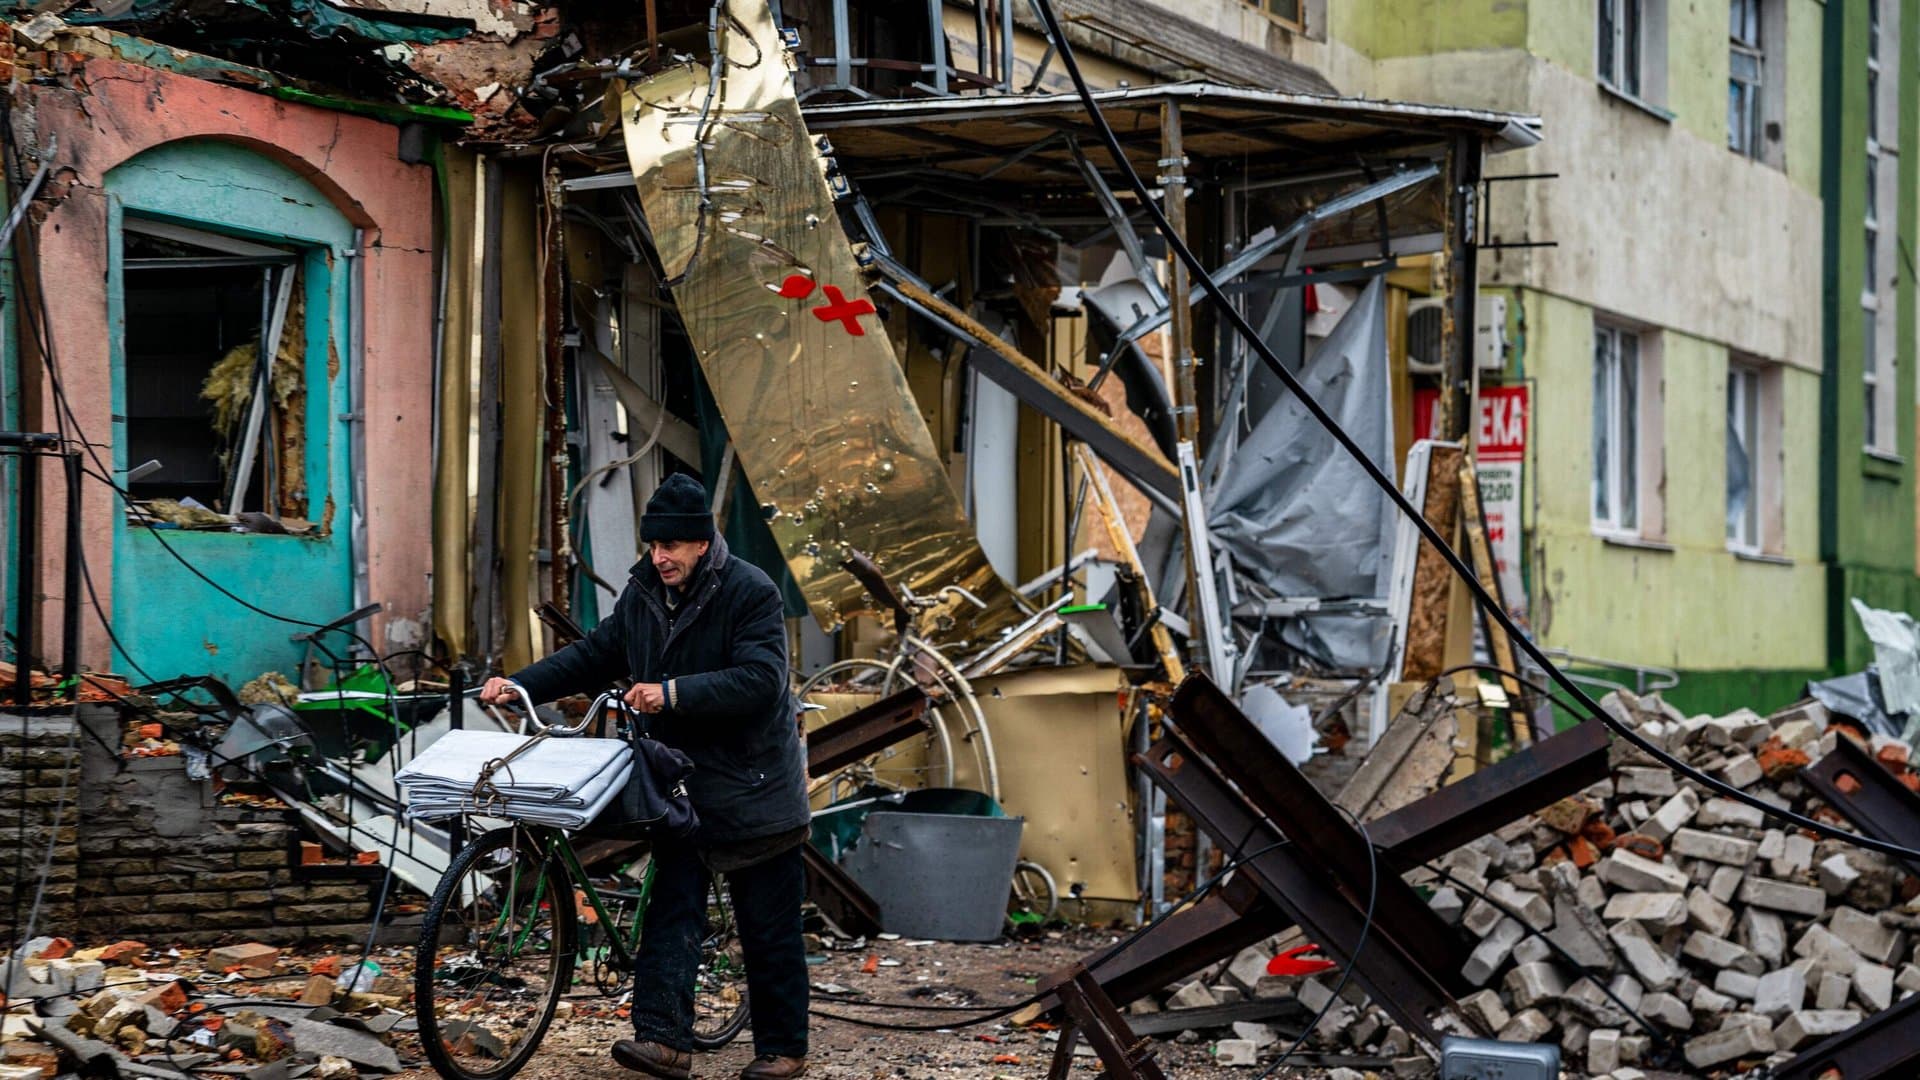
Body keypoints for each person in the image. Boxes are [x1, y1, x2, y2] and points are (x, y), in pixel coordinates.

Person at [481, 472, 810, 1080]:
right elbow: (594, 654)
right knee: (672, 908)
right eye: (653, 545)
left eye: (673, 547)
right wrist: (521, 682)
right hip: (680, 786)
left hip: (752, 785)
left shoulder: (750, 592)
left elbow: (763, 679)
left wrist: (673, 693)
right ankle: (664, 1040)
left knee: (767, 926)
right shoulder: (643, 594)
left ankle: (783, 1049)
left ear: (703, 545)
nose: (660, 557)